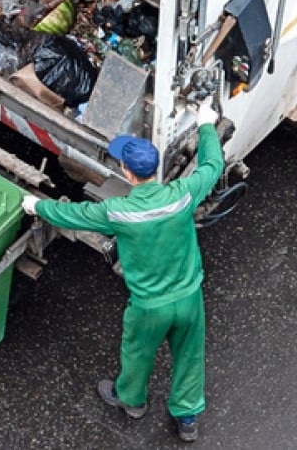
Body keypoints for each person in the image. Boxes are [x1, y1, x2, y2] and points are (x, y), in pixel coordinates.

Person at [22, 103, 224, 443]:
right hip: (189, 298)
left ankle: (132, 401)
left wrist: (36, 205)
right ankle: (187, 418)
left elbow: (75, 215)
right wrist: (205, 126)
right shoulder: (183, 195)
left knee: (137, 353)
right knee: (190, 355)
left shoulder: (119, 212)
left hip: (149, 306)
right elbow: (213, 165)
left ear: (128, 173)